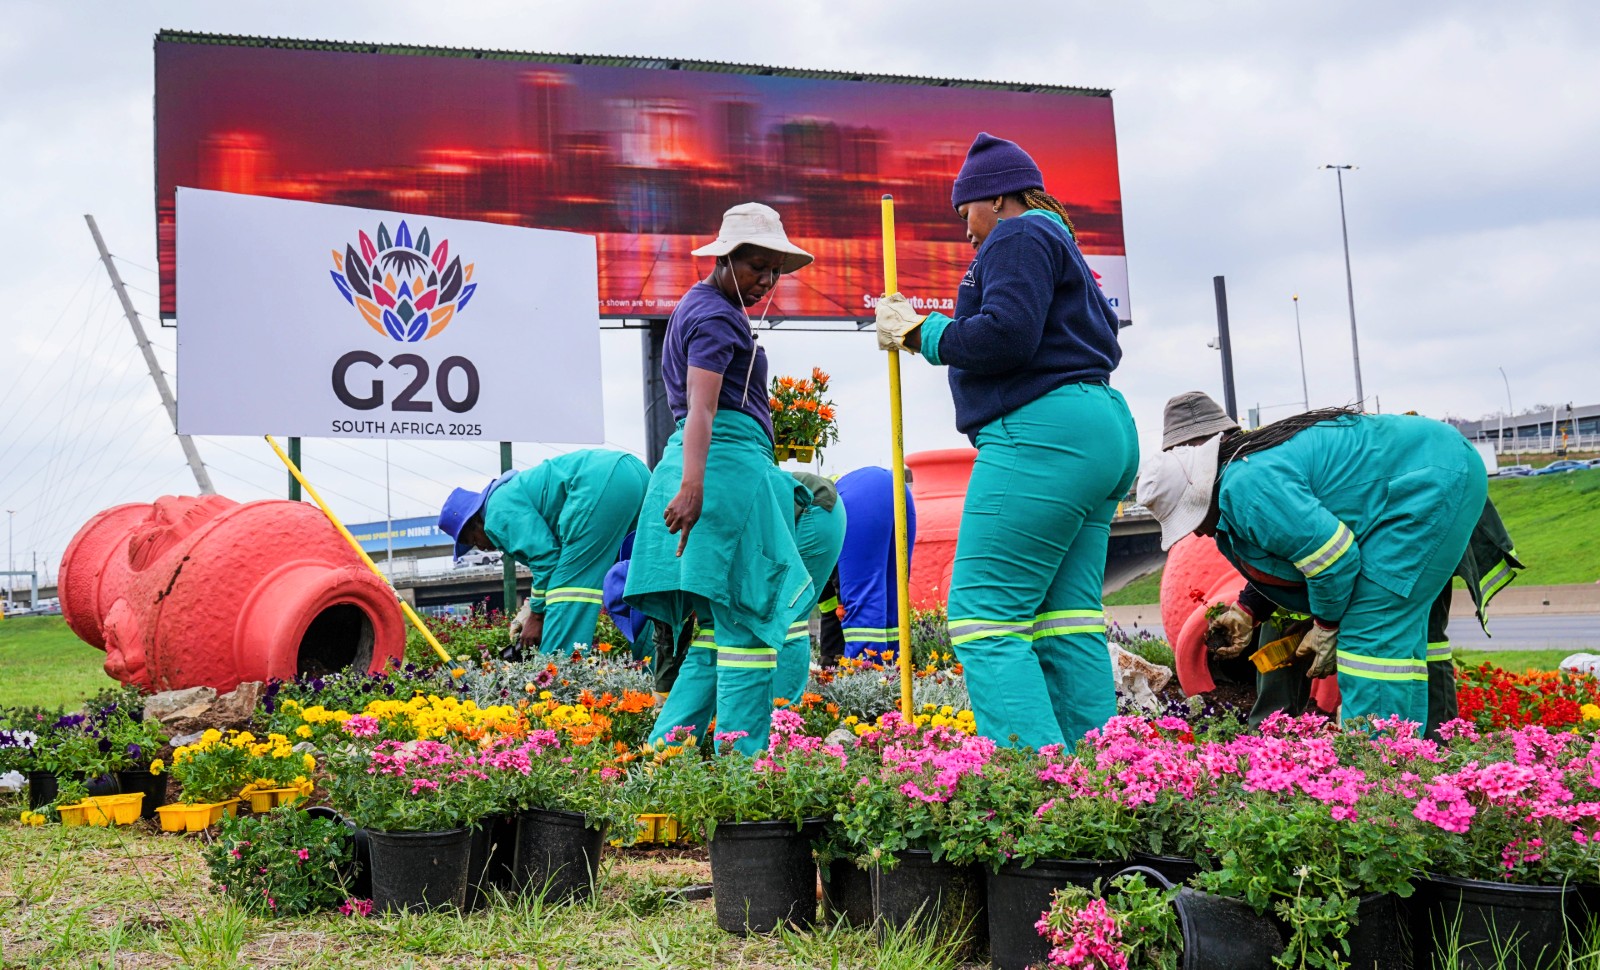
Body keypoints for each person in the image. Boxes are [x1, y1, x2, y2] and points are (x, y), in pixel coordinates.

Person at [875, 132, 1139, 749]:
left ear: (995, 198)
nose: (966, 232)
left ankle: (1038, 786)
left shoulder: (1018, 235)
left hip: (1045, 434)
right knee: (1066, 621)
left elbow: (1007, 335)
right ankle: (1102, 778)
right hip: (1099, 428)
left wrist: (921, 333)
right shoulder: (1060, 242)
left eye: (965, 212)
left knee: (984, 617)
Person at [1163, 392, 1522, 736]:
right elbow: (1300, 548)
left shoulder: (1244, 483)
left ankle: (1377, 765)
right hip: (1429, 477)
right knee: (1410, 636)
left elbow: (1331, 558)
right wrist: (1247, 610)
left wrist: (1326, 624)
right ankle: (1422, 751)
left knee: (1372, 634)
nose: (1194, 532)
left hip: (1423, 490)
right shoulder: (1251, 463)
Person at [627, 203, 816, 755]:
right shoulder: (716, 318)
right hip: (725, 473)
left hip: (708, 467)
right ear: (726, 258)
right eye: (757, 266)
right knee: (752, 623)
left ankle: (667, 758)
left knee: (716, 634)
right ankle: (742, 770)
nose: (768, 281)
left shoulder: (700, 305)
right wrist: (694, 487)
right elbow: (702, 408)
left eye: (775, 270)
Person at [438, 448, 649, 657]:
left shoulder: (495, 513)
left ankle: (557, 673)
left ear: (475, 521)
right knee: (635, 583)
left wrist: (537, 617)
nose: (481, 548)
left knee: (567, 590)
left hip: (599, 483)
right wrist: (531, 607)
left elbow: (546, 560)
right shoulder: (511, 493)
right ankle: (654, 667)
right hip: (635, 472)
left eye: (473, 540)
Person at [830, 466, 918, 663]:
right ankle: (895, 671)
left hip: (859, 498)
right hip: (898, 487)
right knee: (894, 598)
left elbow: (829, 565)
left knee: (864, 600)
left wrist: (841, 601)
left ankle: (866, 674)